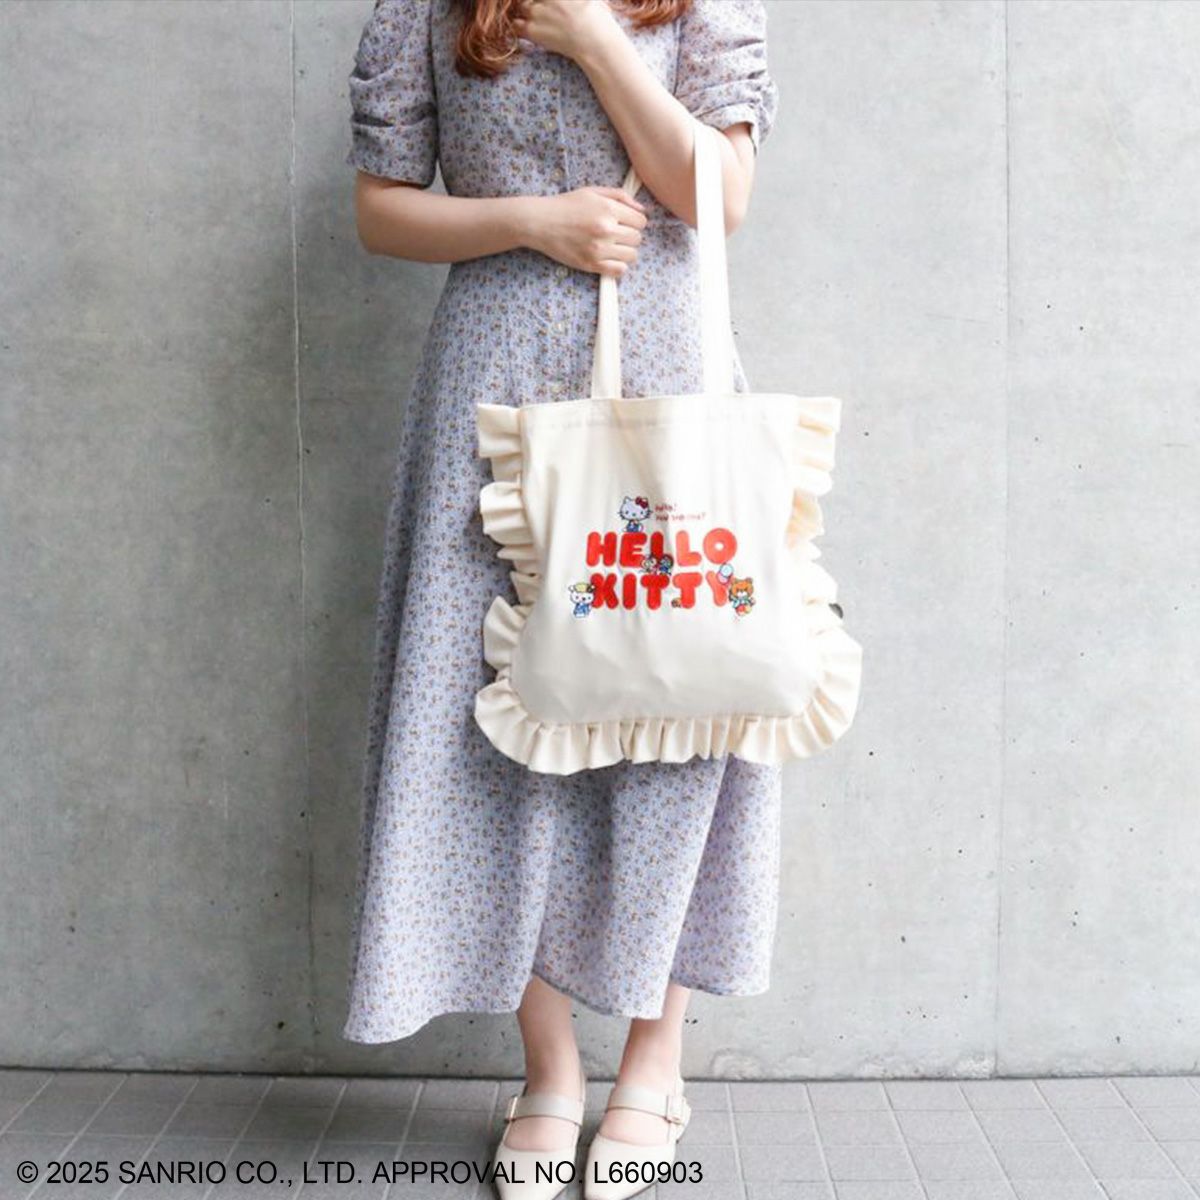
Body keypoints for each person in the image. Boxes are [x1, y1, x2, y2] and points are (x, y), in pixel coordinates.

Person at [342, 1, 779, 1196]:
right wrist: (532, 221)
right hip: (492, 389)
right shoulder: (425, 8)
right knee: (501, 723)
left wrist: (593, 37)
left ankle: (654, 1063)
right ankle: (548, 1073)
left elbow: (719, 195)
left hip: (669, 381)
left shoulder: (705, 6)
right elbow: (381, 209)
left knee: (677, 710)